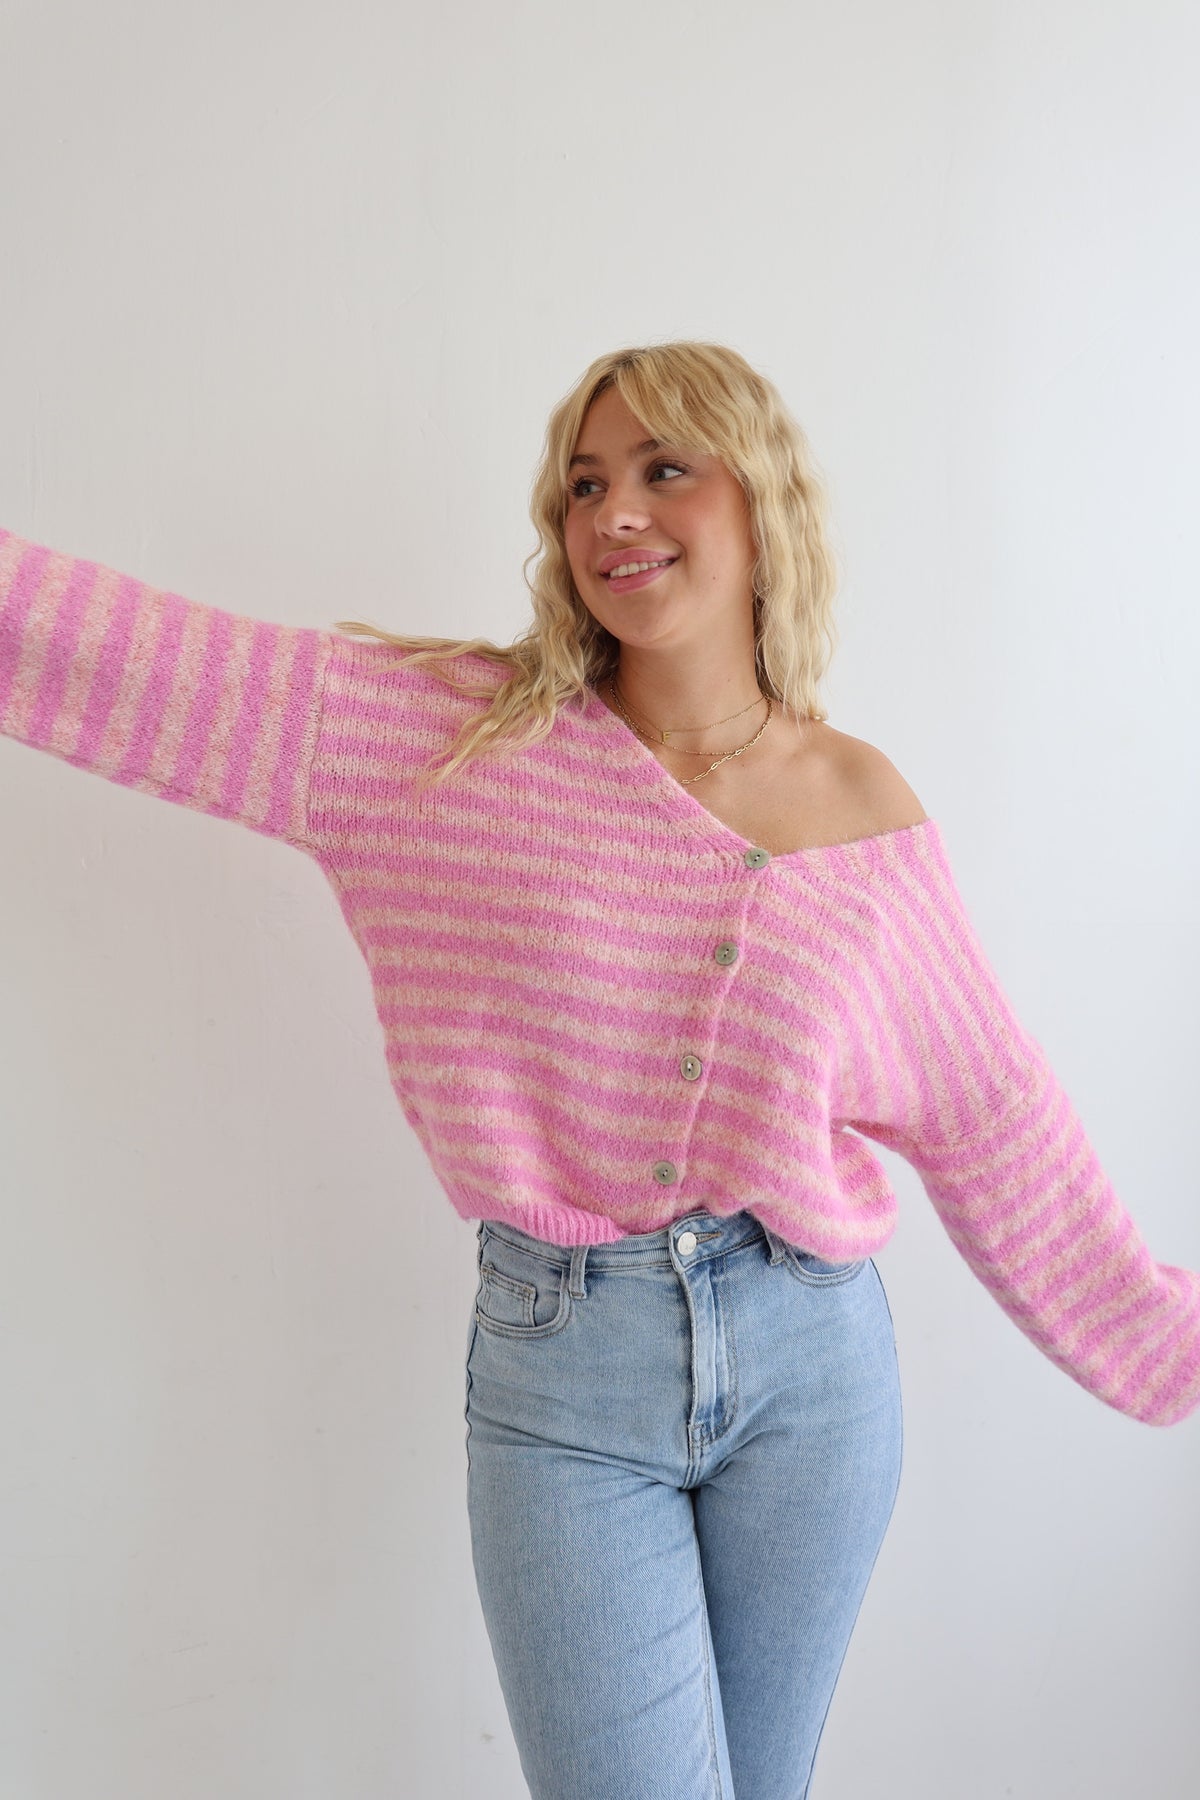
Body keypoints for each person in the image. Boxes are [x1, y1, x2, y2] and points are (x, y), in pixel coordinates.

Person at [1, 339, 1197, 1800]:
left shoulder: (858, 801)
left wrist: (1166, 1343)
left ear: (760, 502)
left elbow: (994, 1117)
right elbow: (136, 658)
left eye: (662, 470)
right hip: (565, 1374)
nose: (613, 513)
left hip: (815, 1372)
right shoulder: (444, 741)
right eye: (582, 485)